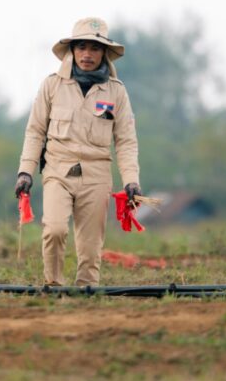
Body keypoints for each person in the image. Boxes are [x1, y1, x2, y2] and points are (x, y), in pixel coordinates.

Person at [14, 18, 142, 287]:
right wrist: (25, 172)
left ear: (104, 53)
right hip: (58, 171)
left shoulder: (116, 92)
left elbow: (126, 141)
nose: (87, 54)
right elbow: (35, 131)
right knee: (55, 230)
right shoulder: (52, 85)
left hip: (96, 175)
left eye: (95, 48)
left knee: (90, 245)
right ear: (72, 50)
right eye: (82, 47)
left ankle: (87, 293)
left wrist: (131, 180)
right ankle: (54, 286)